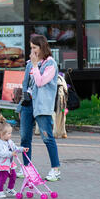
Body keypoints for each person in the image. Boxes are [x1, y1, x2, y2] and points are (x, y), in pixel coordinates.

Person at [16, 34, 61, 182]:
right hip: (28, 104)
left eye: (35, 48)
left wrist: (35, 65)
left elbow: (40, 82)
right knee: (24, 137)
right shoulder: (30, 63)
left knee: (47, 137)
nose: (33, 51)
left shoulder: (50, 64)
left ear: (42, 47)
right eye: (31, 48)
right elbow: (25, 83)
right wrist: (23, 100)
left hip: (42, 105)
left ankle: (55, 169)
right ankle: (27, 167)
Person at [0, 115, 28, 198]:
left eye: (10, 133)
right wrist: (10, 154)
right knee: (3, 178)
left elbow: (15, 148)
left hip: (10, 164)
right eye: (8, 133)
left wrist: (22, 149)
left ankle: (10, 188)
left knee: (13, 176)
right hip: (2, 164)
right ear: (1, 134)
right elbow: (1, 153)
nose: (10, 135)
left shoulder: (10, 141)